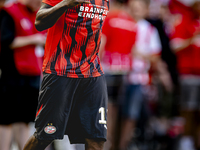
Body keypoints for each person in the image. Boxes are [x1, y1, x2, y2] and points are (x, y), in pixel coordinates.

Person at [23, 0, 109, 149]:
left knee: (96, 139)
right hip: (60, 70)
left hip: (92, 71)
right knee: (45, 135)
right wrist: (66, 4)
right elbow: (39, 21)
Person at [0, 0, 46, 149]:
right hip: (13, 75)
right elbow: (6, 40)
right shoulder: (10, 12)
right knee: (7, 120)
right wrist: (33, 39)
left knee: (25, 121)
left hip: (32, 76)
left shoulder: (37, 15)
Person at [99, 0, 137, 149]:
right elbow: (131, 49)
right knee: (114, 109)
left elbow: (102, 43)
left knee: (104, 108)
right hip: (124, 71)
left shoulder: (110, 18)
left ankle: (103, 142)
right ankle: (110, 143)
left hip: (107, 69)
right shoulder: (132, 22)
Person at [170, 0, 200, 149]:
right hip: (189, 74)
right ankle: (186, 142)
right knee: (188, 109)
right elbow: (174, 46)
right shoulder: (184, 22)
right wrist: (192, 39)